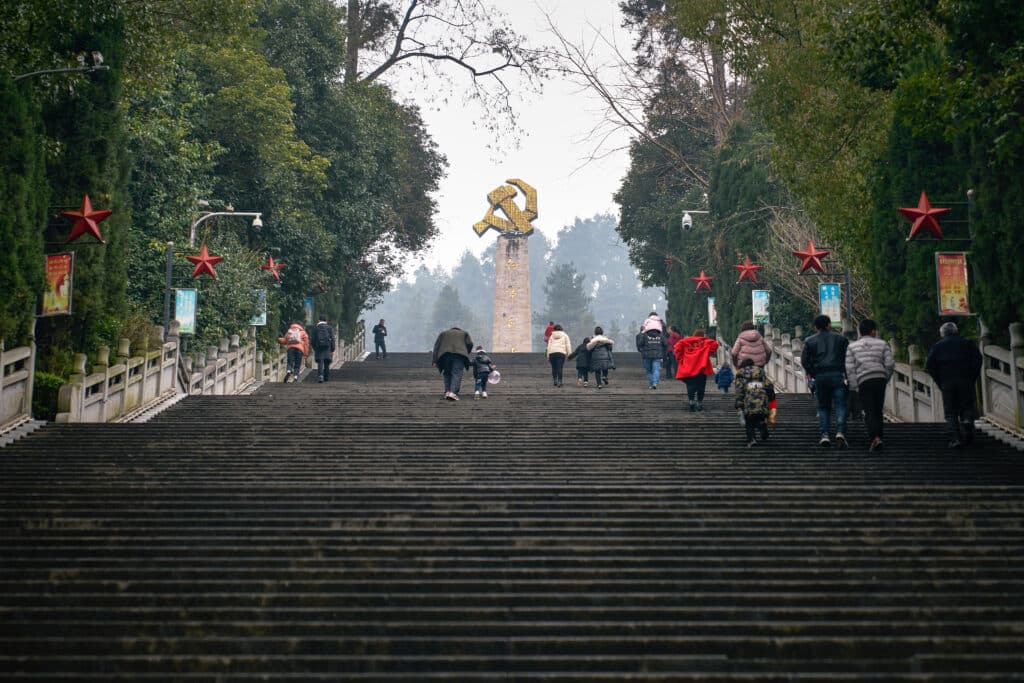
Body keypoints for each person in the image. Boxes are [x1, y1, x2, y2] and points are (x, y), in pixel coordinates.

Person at [925, 321, 983, 449]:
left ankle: (955, 439)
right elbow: (978, 359)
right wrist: (972, 376)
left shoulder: (937, 346)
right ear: (956, 331)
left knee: (950, 412)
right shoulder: (967, 343)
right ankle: (967, 421)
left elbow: (929, 365)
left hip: (947, 382)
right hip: (965, 379)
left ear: (942, 334)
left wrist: (939, 380)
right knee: (967, 405)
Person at [800, 314, 850, 448]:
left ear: (815, 327)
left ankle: (825, 435)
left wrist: (813, 372)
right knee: (840, 405)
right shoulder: (841, 339)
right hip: (837, 374)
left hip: (820, 376)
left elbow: (805, 361)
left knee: (823, 407)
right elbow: (848, 358)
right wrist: (846, 374)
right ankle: (840, 432)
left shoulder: (810, 341)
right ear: (829, 325)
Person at [845, 319, 895, 452]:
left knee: (869, 410)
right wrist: (885, 378)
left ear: (859, 331)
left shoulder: (852, 347)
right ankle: (879, 437)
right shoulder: (882, 344)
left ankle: (875, 438)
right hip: (879, 379)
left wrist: (854, 386)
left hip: (863, 381)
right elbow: (890, 365)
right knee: (878, 409)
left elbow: (850, 368)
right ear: (873, 331)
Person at [734, 358, 777, 447]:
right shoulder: (761, 373)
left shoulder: (741, 376)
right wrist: (771, 398)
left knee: (749, 422)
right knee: (761, 417)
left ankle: (751, 439)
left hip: (748, 402)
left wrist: (738, 406)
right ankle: (762, 426)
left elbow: (739, 392)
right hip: (762, 401)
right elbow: (769, 387)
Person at [674, 328, 719, 412]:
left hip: (689, 367)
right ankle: (699, 403)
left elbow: (677, 348)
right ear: (703, 335)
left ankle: (691, 402)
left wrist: (680, 359)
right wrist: (707, 349)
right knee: (701, 386)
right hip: (702, 368)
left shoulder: (685, 342)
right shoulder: (705, 342)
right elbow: (715, 344)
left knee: (691, 385)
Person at [432, 326, 474, 401]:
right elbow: (470, 344)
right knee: (457, 373)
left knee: (447, 373)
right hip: (459, 355)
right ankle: (453, 393)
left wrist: (434, 361)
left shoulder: (443, 333)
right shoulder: (464, 333)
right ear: (459, 329)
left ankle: (447, 392)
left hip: (445, 355)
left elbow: (436, 346)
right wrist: (466, 351)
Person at [635, 324, 667, 389]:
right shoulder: (661, 335)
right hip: (657, 355)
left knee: (648, 371)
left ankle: (652, 383)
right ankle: (655, 383)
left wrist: (643, 350)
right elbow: (666, 344)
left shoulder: (645, 335)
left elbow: (640, 344)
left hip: (647, 355)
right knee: (656, 370)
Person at [310, 315, 335, 383]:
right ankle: (326, 377)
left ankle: (320, 376)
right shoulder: (329, 328)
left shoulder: (316, 328)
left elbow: (312, 340)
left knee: (320, 362)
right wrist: (332, 349)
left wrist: (315, 348)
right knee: (327, 362)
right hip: (328, 348)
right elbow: (332, 339)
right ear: (326, 321)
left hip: (319, 348)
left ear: (319, 320)